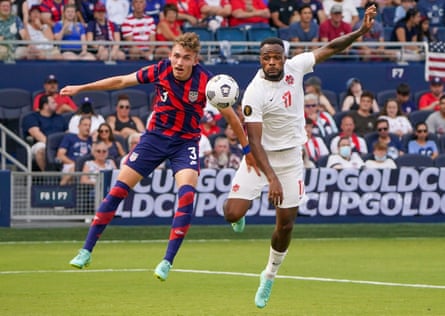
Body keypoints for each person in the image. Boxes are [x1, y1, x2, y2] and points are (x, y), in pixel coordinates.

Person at [60, 33, 258, 282]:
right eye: (176, 56)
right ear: (170, 56)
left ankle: (167, 261)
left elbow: (231, 118)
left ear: (195, 60)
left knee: (186, 195)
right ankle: (86, 251)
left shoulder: (207, 83)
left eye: (186, 58)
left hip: (185, 143)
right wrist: (81, 88)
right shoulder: (160, 70)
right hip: (154, 139)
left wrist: (248, 151)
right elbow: (121, 81)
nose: (179, 62)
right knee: (117, 191)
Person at [222, 4, 377, 309]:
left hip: (291, 157)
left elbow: (330, 47)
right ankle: (241, 215)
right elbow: (253, 140)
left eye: (276, 57)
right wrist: (272, 180)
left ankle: (269, 275)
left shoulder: (295, 67)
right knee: (232, 213)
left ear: (283, 57)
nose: (272, 62)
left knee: (286, 225)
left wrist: (360, 31)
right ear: (260, 60)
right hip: (261, 156)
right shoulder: (254, 92)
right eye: (266, 58)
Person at [21, 95, 68, 171]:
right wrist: (52, 147)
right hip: (40, 144)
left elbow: (67, 133)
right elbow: (36, 134)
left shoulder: (60, 118)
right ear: (45, 105)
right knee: (41, 149)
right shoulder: (32, 117)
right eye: (53, 102)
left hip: (59, 145)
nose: (56, 104)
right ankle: (47, 176)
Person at [57, 116, 93, 184]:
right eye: (85, 125)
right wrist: (75, 164)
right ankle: (60, 189)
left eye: (89, 125)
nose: (88, 127)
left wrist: (94, 140)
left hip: (87, 166)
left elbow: (95, 155)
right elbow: (60, 155)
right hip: (70, 164)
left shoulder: (91, 140)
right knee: (73, 170)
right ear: (79, 126)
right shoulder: (69, 137)